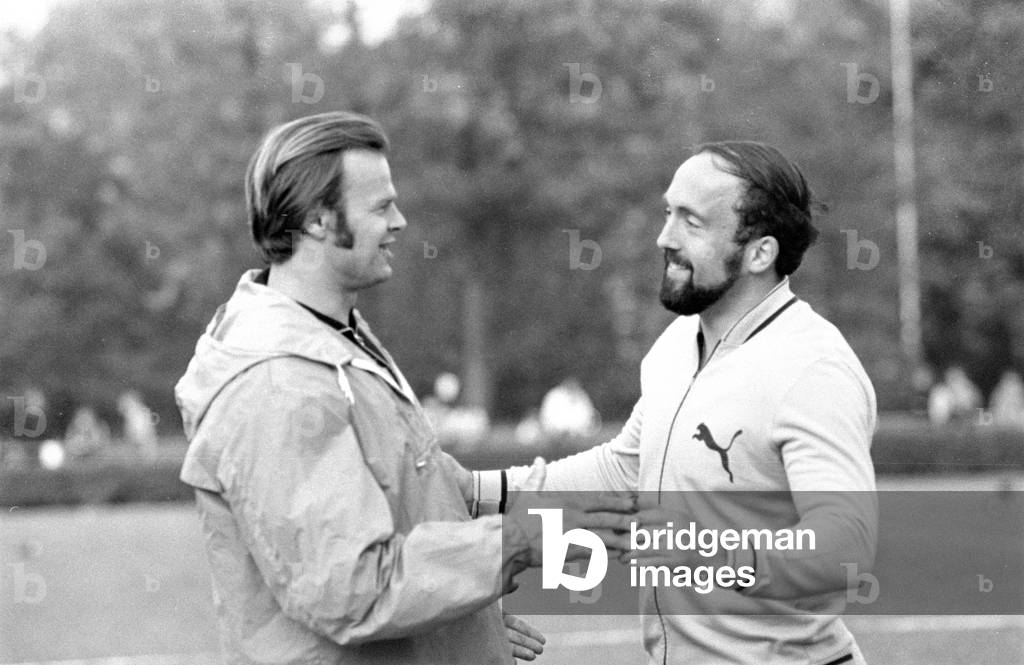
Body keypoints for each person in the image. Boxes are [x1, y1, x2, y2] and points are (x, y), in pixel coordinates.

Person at [174, 112, 628, 665]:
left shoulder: (331, 338)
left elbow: (412, 492)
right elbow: (349, 587)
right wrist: (518, 541)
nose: (401, 222)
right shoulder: (280, 386)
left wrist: (456, 631)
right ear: (319, 221)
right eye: (381, 206)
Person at [471, 141, 877, 665]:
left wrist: (700, 552)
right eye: (668, 214)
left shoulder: (813, 369)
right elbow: (624, 470)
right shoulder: (676, 343)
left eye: (692, 221)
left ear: (760, 252)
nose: (664, 238)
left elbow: (843, 549)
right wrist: (477, 489)